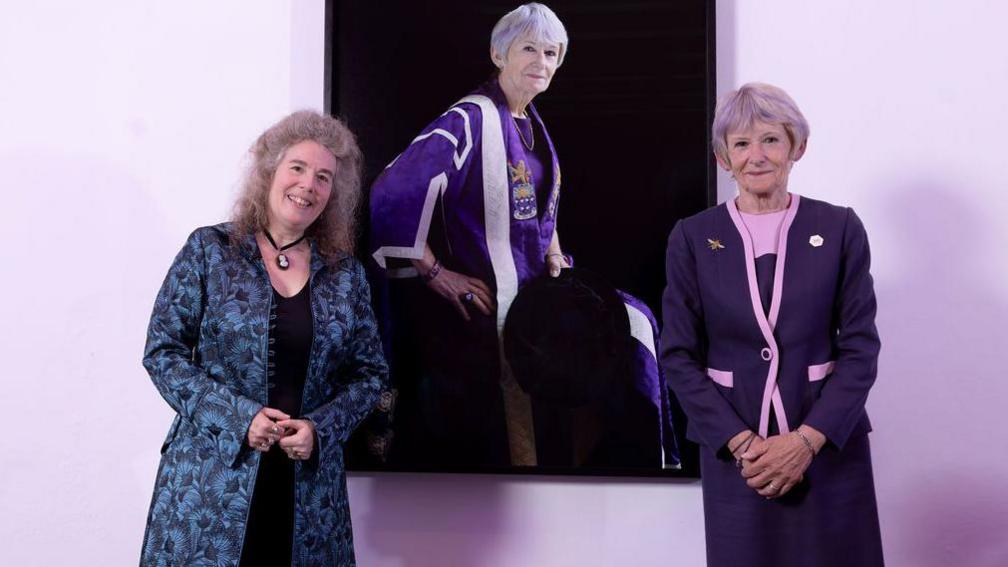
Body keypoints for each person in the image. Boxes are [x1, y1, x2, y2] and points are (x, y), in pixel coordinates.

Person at [140, 111, 388, 566]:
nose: (308, 185)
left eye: (323, 177)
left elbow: (371, 376)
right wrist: (239, 418)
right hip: (209, 489)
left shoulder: (346, 276)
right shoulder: (209, 251)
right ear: (270, 171)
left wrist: (321, 430)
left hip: (309, 496)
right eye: (297, 168)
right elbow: (163, 352)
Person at [660, 83, 884, 565]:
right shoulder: (694, 237)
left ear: (796, 147)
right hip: (740, 459)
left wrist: (806, 441)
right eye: (741, 144)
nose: (756, 156)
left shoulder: (841, 227)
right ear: (723, 157)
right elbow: (677, 355)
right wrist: (743, 443)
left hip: (827, 450)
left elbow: (861, 349)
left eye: (770, 140)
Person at [369, 3, 572, 467]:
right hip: (479, 315)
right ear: (499, 54)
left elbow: (538, 206)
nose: (541, 62)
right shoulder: (470, 118)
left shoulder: (529, 121)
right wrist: (437, 272)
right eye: (529, 49)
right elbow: (392, 192)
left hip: (527, 302)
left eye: (551, 52)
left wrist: (554, 251)